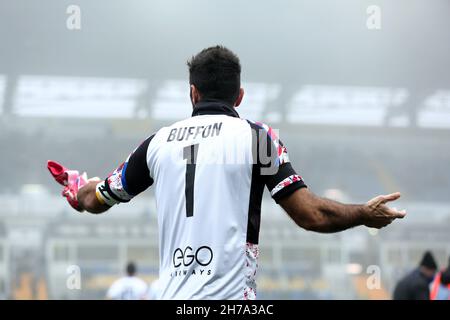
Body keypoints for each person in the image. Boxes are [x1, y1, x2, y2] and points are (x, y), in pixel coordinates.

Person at [48, 45, 406, 300]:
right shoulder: (257, 138)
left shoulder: (156, 144)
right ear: (240, 96)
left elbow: (97, 199)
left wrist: (79, 190)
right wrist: (363, 214)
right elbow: (310, 215)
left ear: (192, 93)